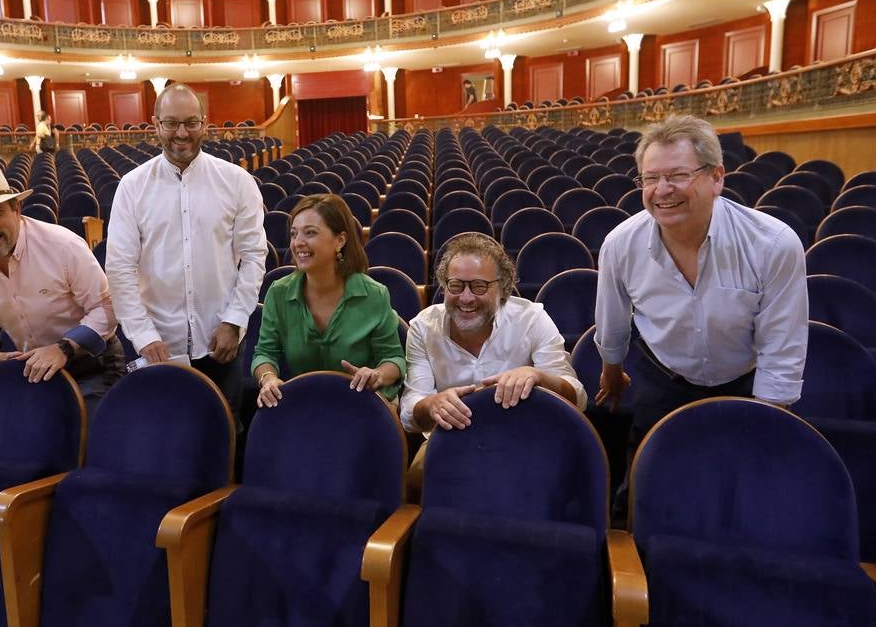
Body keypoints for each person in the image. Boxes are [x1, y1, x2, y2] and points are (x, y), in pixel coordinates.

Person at [594, 115, 807, 521]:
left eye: (677, 175)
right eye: (650, 178)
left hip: (744, 383)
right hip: (662, 381)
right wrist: (611, 372)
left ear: (716, 177)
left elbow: (783, 349)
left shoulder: (774, 244)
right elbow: (613, 320)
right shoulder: (620, 245)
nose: (662, 191)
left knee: (738, 496)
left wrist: (764, 428)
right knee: (645, 494)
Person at [104, 83, 266, 405]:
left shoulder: (237, 181)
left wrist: (234, 321)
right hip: (159, 344)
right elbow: (120, 268)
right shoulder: (132, 187)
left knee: (226, 431)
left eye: (191, 122)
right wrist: (143, 335)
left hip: (221, 339)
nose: (182, 133)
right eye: (171, 123)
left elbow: (253, 257)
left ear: (204, 123)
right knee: (165, 434)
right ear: (156, 125)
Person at [0, 162, 123, 413]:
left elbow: (106, 306)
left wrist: (63, 349)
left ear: (16, 208)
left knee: (85, 442)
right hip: (31, 368)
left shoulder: (63, 245)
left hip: (92, 365)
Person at [401, 232, 585, 433]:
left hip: (524, 437)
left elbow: (578, 398)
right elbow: (411, 413)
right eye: (455, 285)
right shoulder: (423, 326)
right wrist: (431, 405)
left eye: (479, 286)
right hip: (450, 439)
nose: (466, 297)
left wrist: (538, 377)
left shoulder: (532, 319)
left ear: (503, 288)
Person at [252, 193, 406, 407]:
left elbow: (395, 359)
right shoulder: (278, 293)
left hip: (362, 403)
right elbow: (264, 353)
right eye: (294, 234)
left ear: (340, 240)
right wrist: (268, 378)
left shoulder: (374, 294)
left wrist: (377, 374)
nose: (298, 243)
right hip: (306, 403)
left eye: (310, 233)